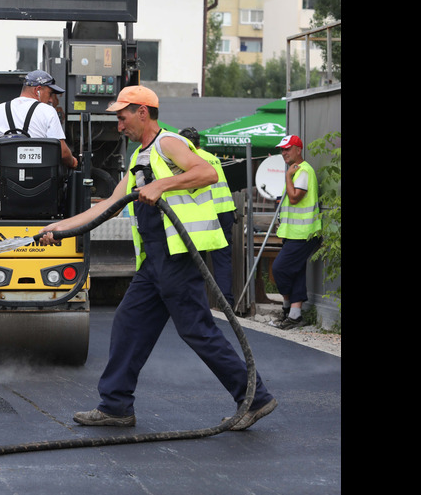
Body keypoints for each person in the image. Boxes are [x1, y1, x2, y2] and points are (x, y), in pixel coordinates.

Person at [38, 85, 277, 431]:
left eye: (122, 118)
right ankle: (116, 405)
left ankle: (254, 397)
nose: (118, 126)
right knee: (128, 324)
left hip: (176, 257)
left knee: (197, 331)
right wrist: (59, 228)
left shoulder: (167, 144)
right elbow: (107, 206)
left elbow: (206, 173)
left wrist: (161, 186)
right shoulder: (139, 158)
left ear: (142, 113)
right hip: (154, 262)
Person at [180, 127, 236, 308]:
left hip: (206, 212)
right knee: (222, 259)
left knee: (196, 258)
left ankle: (196, 302)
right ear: (198, 142)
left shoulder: (190, 160)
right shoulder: (212, 158)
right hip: (225, 211)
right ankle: (226, 303)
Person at [271, 134, 322, 330]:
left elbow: (294, 199)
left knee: (280, 269)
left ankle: (286, 308)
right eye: (282, 150)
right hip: (296, 232)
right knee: (296, 271)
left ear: (298, 150)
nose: (284, 153)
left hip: (304, 233)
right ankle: (294, 315)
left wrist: (287, 176)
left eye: (287, 149)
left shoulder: (302, 171)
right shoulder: (297, 171)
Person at [0, 69, 78, 169]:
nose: (51, 100)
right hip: (42, 181)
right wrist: (73, 162)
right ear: (37, 90)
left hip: (5, 180)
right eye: (50, 94)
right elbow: (63, 153)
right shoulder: (48, 111)